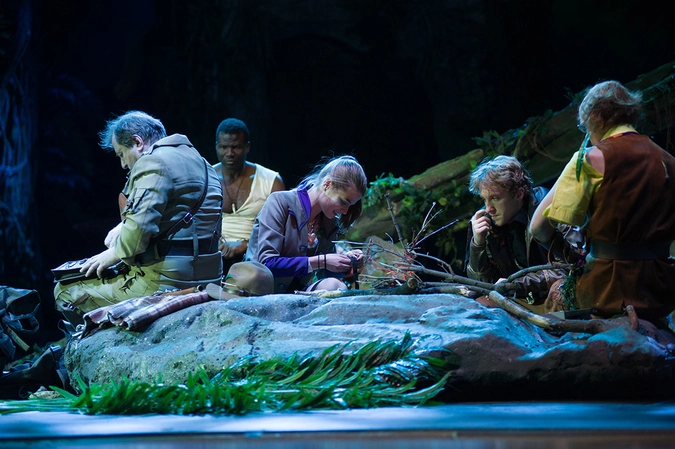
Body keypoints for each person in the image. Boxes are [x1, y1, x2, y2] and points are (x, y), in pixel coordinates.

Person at [54, 111, 224, 325]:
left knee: (65, 291)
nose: (123, 164)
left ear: (138, 142)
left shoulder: (153, 162)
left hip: (169, 280)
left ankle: (95, 341)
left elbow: (136, 238)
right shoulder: (204, 163)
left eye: (121, 154)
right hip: (210, 276)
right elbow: (177, 212)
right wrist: (123, 226)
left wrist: (112, 254)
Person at [530, 80, 675, 324]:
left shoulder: (588, 159)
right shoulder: (669, 161)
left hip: (606, 291)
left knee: (554, 297)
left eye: (584, 126)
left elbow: (538, 228)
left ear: (595, 118)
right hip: (661, 291)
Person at [465, 155, 581, 304]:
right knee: (479, 303)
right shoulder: (486, 221)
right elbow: (481, 285)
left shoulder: (548, 210)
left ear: (519, 194)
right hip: (519, 301)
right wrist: (477, 244)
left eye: (495, 198)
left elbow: (570, 266)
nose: (488, 208)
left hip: (551, 299)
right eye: (484, 199)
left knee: (559, 292)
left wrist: (517, 285)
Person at [246, 155, 367, 293]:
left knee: (335, 286)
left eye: (350, 206)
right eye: (343, 202)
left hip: (294, 294)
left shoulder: (329, 221)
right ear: (327, 184)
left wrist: (347, 262)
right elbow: (266, 264)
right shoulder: (280, 202)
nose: (345, 211)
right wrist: (321, 261)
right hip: (256, 290)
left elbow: (327, 272)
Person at [213, 118, 285, 273]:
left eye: (236, 147)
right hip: (213, 254)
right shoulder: (206, 178)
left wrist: (246, 245)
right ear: (217, 147)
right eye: (224, 147)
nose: (230, 153)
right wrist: (213, 243)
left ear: (247, 147)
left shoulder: (271, 180)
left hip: (256, 256)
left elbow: (281, 228)